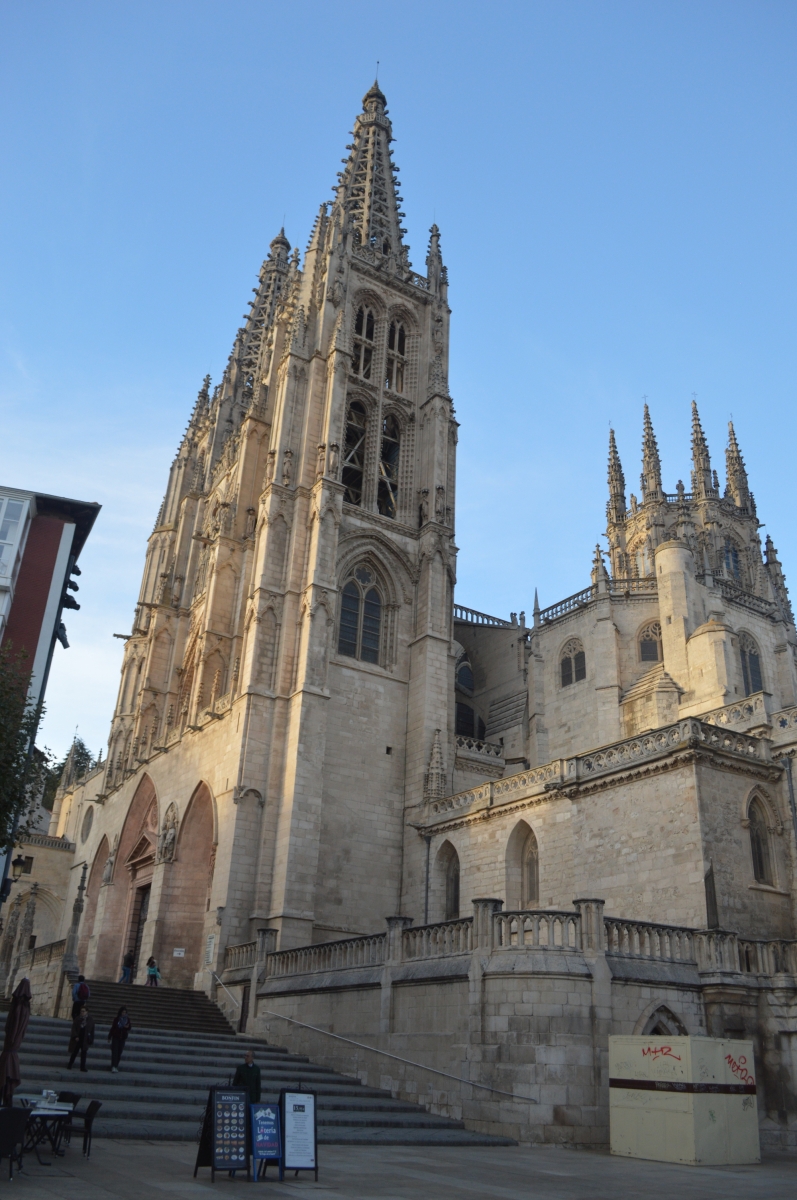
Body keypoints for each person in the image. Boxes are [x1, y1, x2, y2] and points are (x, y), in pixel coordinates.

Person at [67, 1005, 95, 1072]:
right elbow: (74, 1028)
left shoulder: (90, 1019)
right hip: (78, 1038)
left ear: (87, 1012)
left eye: (83, 1011)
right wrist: (75, 1036)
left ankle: (82, 1067)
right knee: (74, 1052)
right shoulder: (77, 1018)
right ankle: (70, 1064)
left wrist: (91, 1038)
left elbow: (92, 1030)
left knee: (84, 1053)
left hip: (85, 1039)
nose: (82, 1012)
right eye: (81, 1011)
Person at [108, 1006, 131, 1073]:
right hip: (116, 1037)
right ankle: (113, 1066)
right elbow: (113, 1028)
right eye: (123, 1012)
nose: (124, 1013)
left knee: (119, 1052)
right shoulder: (116, 1019)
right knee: (114, 1052)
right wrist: (109, 1036)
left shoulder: (127, 1020)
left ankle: (116, 1065)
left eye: (125, 1012)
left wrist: (127, 1027)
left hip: (122, 1038)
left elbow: (129, 1028)